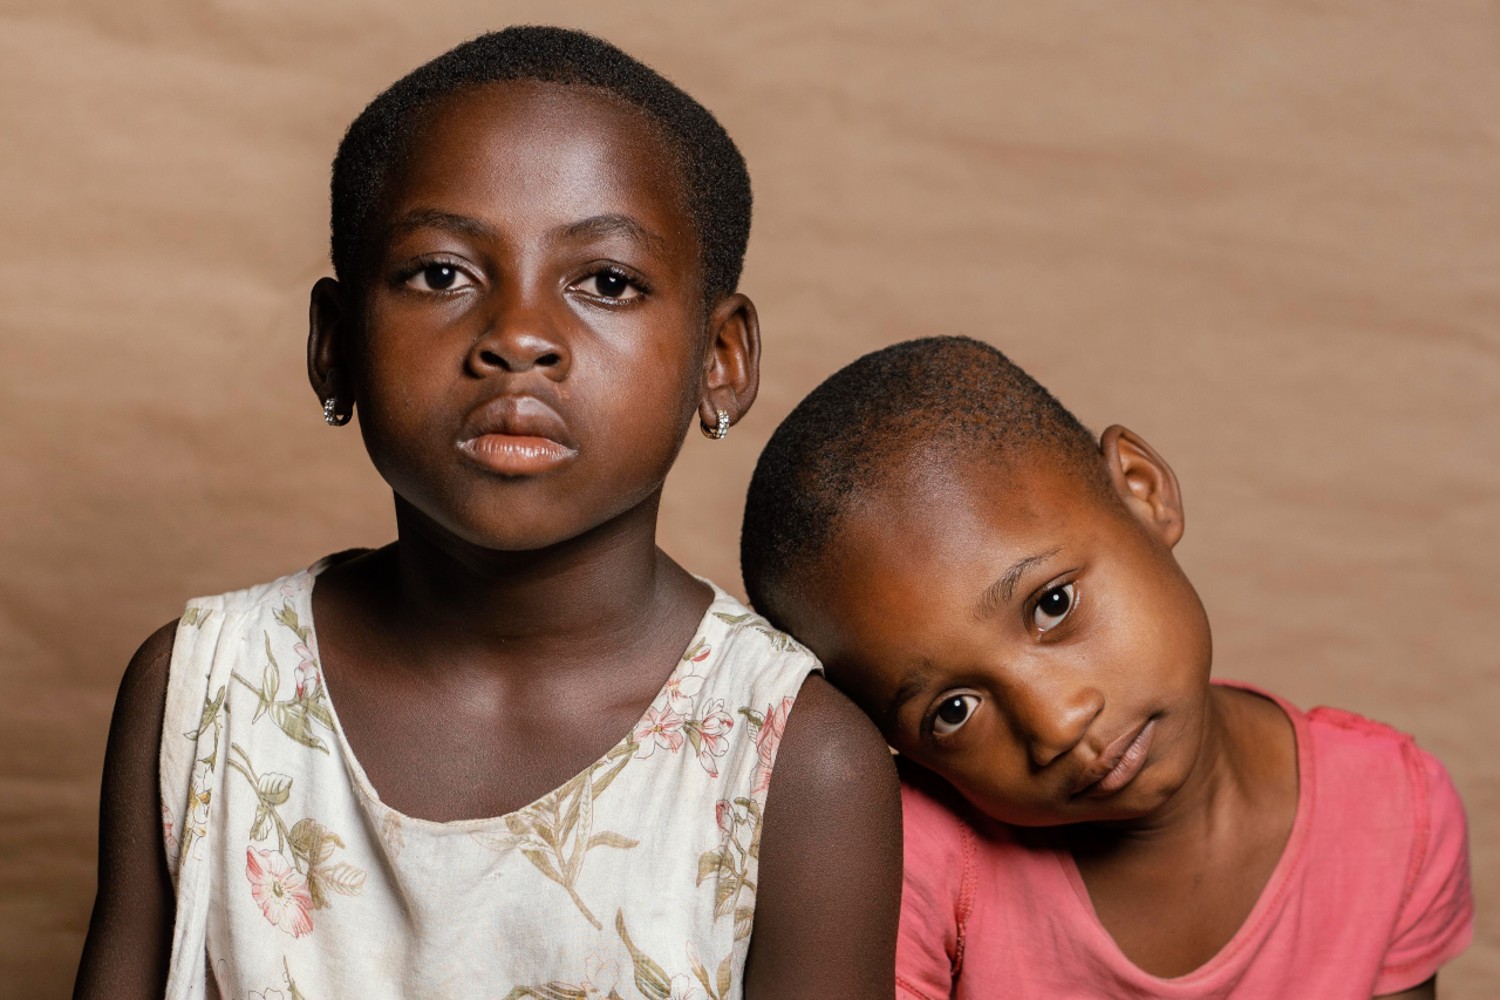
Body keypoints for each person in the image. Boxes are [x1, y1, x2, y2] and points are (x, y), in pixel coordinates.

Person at [75, 27, 900, 1000]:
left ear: (720, 360)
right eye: (441, 274)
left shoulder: (797, 763)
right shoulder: (203, 692)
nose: (518, 336)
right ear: (335, 344)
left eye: (606, 282)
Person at [740, 336, 1472, 998]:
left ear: (1143, 489)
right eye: (953, 711)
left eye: (1052, 604)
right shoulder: (907, 865)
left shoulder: (1395, 811)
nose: (1058, 725)